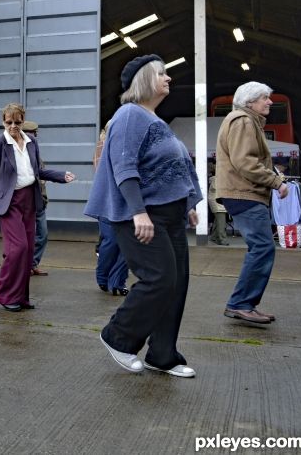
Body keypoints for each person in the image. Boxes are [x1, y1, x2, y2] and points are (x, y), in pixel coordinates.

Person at [85, 54, 202, 378]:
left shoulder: (158, 122)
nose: (168, 78)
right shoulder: (129, 115)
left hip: (171, 215)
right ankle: (118, 336)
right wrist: (138, 211)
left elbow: (178, 168)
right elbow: (124, 166)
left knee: (175, 283)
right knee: (159, 278)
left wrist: (189, 203)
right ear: (144, 80)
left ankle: (162, 354)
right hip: (141, 214)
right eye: (161, 74)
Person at [0, 103, 74, 312]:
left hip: (30, 199)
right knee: (17, 248)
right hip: (9, 201)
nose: (13, 126)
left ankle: (20, 297)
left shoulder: (32, 142)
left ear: (23, 121)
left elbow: (37, 171)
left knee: (28, 251)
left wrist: (61, 176)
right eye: (8, 122)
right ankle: (4, 294)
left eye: (17, 122)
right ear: (3, 121)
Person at [216, 81, 289, 325]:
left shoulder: (245, 121)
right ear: (250, 102)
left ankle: (244, 303)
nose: (269, 102)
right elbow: (245, 162)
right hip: (243, 193)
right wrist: (276, 182)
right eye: (264, 98)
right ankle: (240, 303)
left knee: (260, 248)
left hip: (242, 193)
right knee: (263, 247)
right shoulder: (243, 121)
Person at [92, 122, 129, 295]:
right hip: (111, 200)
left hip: (121, 200)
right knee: (112, 242)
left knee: (123, 243)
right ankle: (104, 278)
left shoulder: (109, 145)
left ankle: (117, 283)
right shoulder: (106, 146)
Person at [22, 121, 50, 277]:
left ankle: (33, 263)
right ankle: (24, 265)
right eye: (32, 133)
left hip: (39, 201)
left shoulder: (35, 151)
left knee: (42, 234)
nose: (35, 136)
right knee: (25, 236)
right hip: (26, 202)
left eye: (36, 133)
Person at [207, 168, 229, 246]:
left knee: (218, 222)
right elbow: (219, 188)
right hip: (218, 204)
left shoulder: (216, 179)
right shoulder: (216, 179)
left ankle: (214, 237)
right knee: (221, 223)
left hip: (218, 203)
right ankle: (222, 239)